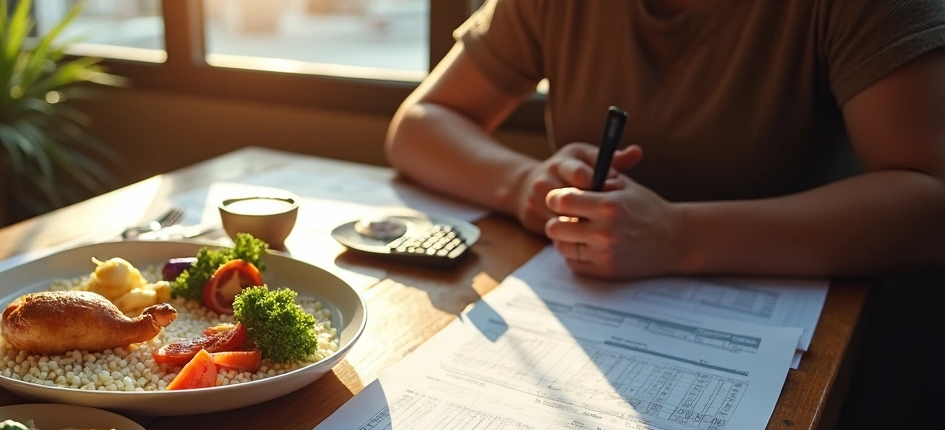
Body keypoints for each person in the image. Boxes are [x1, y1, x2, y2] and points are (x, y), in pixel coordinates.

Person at [384, 0, 945, 279]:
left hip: (800, 342)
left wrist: (679, 237)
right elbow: (421, 123)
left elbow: (929, 201)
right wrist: (523, 184)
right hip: (590, 310)